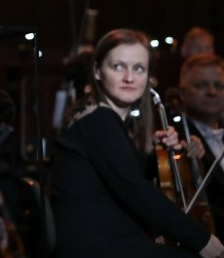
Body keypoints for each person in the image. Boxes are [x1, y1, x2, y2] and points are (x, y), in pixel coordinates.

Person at [50, 28, 224, 257]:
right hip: (99, 247)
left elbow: (123, 176)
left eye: (139, 68)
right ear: (97, 71)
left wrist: (155, 152)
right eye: (118, 67)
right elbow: (136, 190)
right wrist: (202, 239)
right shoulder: (99, 119)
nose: (130, 78)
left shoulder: (96, 115)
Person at [179, 53, 224, 235]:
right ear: (182, 92)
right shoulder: (178, 139)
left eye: (219, 86)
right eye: (201, 85)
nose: (212, 92)